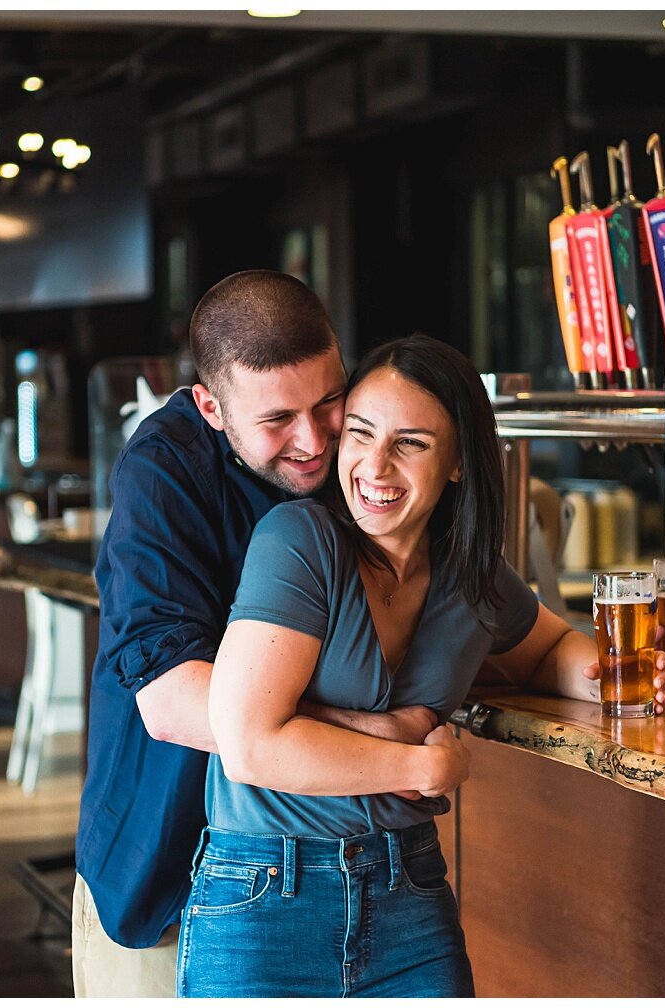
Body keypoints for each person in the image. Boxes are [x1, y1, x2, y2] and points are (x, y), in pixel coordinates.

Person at [176, 336, 665, 997]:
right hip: (267, 894)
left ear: (460, 463)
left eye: (410, 443)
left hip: (408, 889)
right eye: (360, 434)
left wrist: (615, 671)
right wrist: (421, 765)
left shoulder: (471, 575)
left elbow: (549, 651)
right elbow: (247, 745)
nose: (374, 465)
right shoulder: (299, 540)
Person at [72, 272, 452, 997]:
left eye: (328, 401)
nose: (313, 441)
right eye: (278, 419)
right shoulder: (162, 472)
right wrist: (376, 736)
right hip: (166, 878)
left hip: (330, 889)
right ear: (212, 407)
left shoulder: (360, 452)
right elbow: (170, 701)